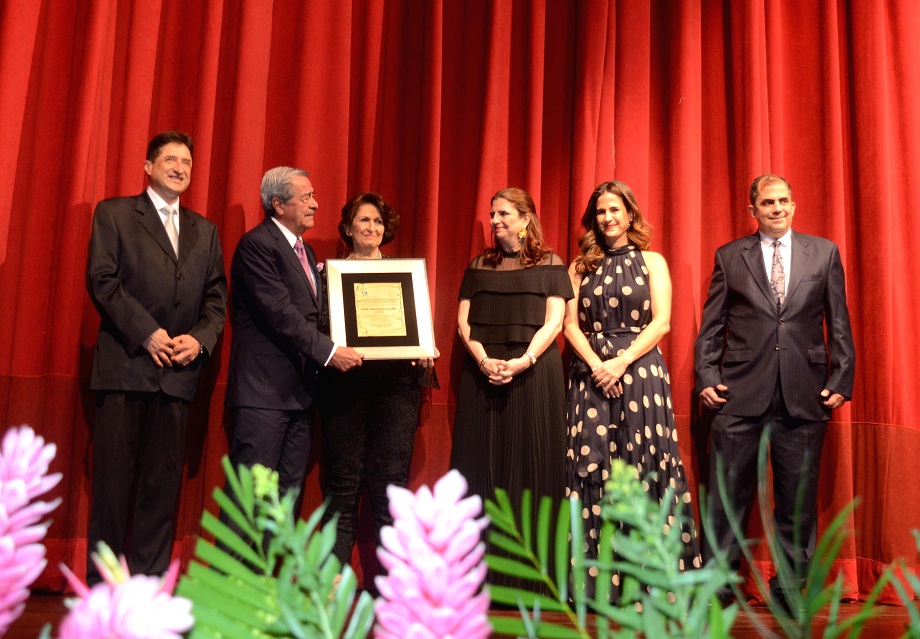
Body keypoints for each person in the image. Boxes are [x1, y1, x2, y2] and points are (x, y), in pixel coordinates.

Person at [694, 174, 855, 609]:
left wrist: (841, 380)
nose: (778, 208)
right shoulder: (730, 257)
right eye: (768, 203)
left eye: (784, 200)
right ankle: (719, 588)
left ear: (794, 204)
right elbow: (711, 328)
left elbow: (838, 321)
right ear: (753, 210)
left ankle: (788, 591)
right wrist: (707, 378)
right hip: (739, 392)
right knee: (727, 497)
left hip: (804, 392)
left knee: (796, 502)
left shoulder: (823, 253)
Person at [85, 131, 227, 583]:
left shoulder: (205, 230)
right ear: (147, 167)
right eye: (169, 159)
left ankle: (147, 594)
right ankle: (102, 595)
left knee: (161, 491)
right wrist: (148, 333)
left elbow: (216, 297)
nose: (180, 167)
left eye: (186, 161)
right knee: (112, 490)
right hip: (125, 369)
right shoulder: (115, 213)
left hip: (178, 376)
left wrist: (200, 340)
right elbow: (103, 280)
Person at [564, 180, 700, 598]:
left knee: (644, 465)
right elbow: (569, 325)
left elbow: (662, 323)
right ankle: (594, 585)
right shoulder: (578, 267)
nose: (608, 218)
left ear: (630, 214)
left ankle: (651, 582)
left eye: (615, 210)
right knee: (593, 465)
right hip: (589, 372)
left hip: (641, 372)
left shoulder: (652, 261)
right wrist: (597, 365)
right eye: (601, 211)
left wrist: (621, 362)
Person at [451, 187, 572, 586]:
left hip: (535, 374)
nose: (496, 220)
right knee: (479, 466)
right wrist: (485, 360)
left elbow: (555, 321)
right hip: (482, 374)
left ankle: (533, 577)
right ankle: (476, 574)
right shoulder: (479, 264)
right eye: (493, 213)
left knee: (532, 463)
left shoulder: (551, 263)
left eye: (504, 213)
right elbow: (463, 323)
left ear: (525, 219)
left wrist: (523, 361)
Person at [225, 167, 363, 503]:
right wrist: (331, 352)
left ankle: (276, 560)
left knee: (285, 504)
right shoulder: (257, 245)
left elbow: (313, 316)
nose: (316, 204)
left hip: (300, 395)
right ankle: (231, 560)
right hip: (264, 396)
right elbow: (281, 314)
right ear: (278, 204)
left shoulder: (306, 251)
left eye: (313, 196)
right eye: (306, 198)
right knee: (251, 504)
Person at [317, 192, 438, 568]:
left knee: (390, 486)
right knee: (342, 484)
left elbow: (420, 331)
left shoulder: (406, 275)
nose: (371, 227)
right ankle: (332, 583)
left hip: (397, 389)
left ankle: (394, 586)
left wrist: (424, 348)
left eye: (378, 222)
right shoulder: (328, 276)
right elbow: (319, 327)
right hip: (345, 386)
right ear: (348, 227)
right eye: (364, 220)